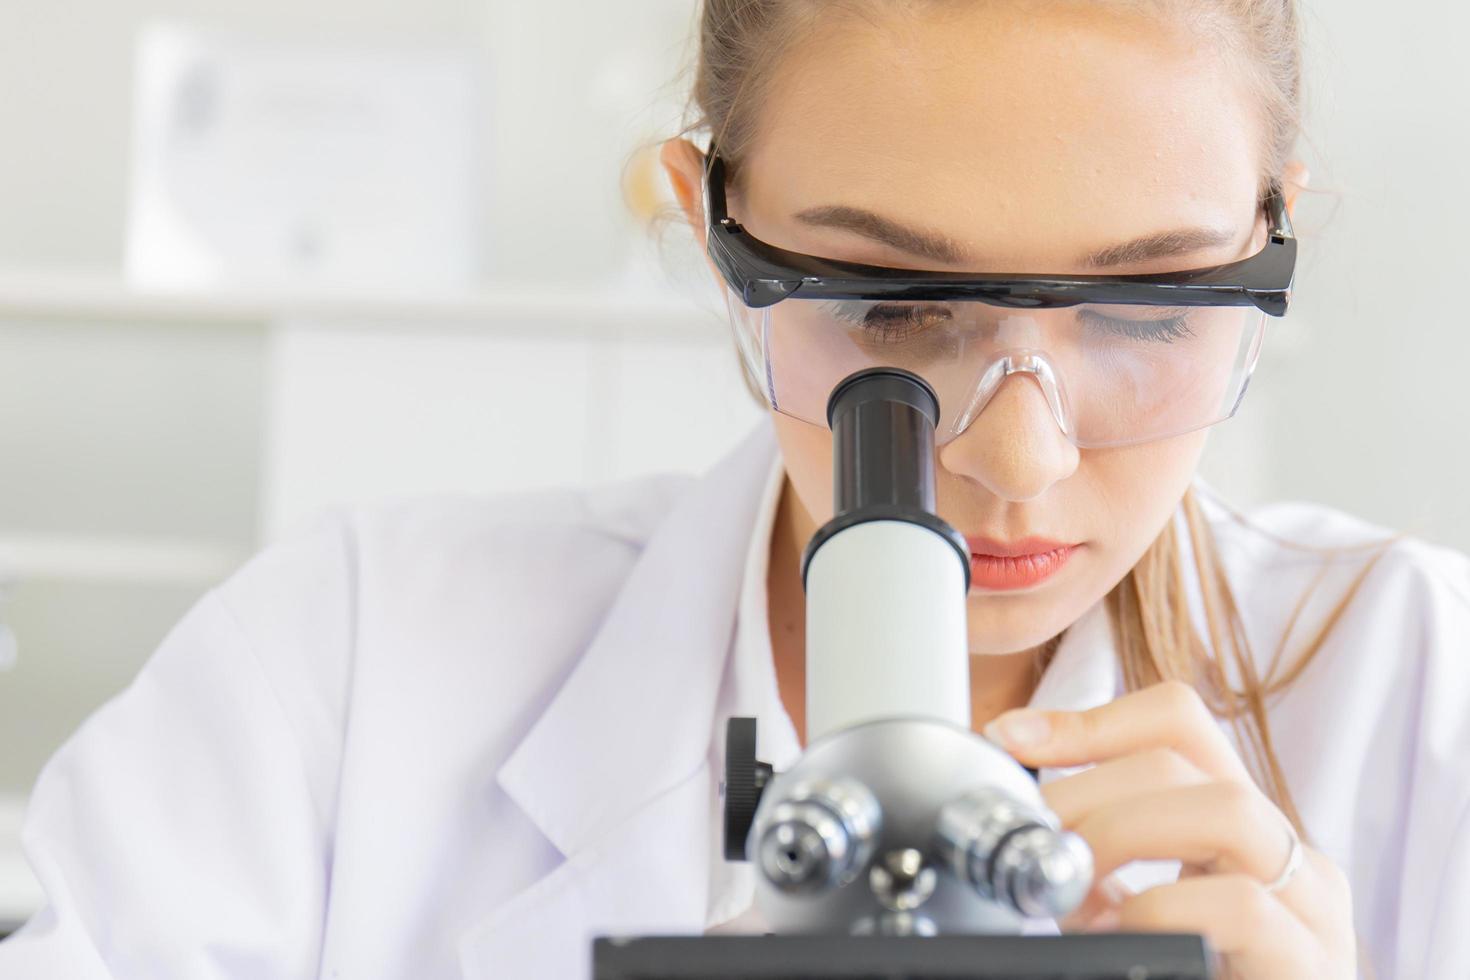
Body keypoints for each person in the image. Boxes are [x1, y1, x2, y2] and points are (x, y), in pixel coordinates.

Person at [1, 1, 1467, 977]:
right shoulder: (344, 665)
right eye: (891, 310)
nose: (1018, 458)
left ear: (1269, 230)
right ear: (715, 239)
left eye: (1150, 308)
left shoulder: (1419, 692)